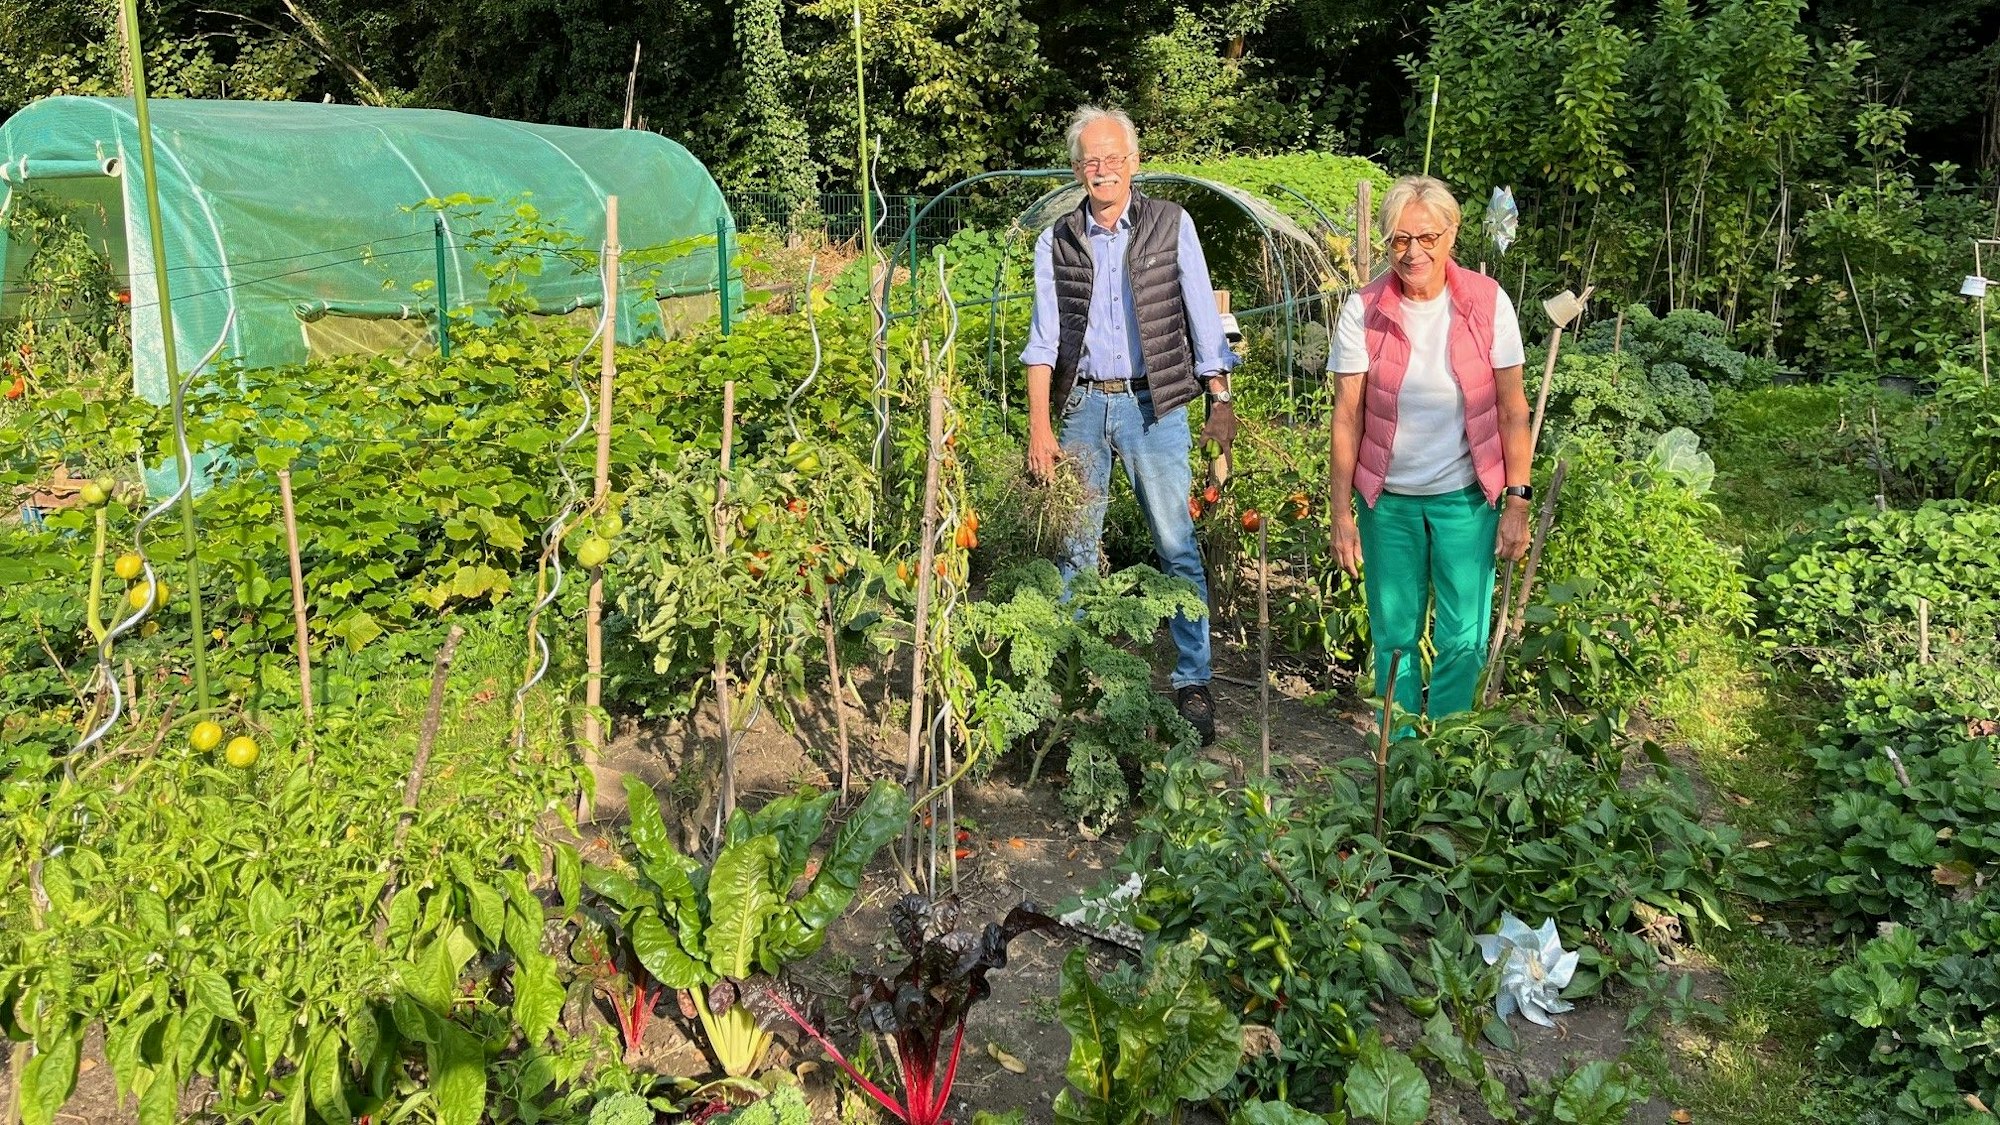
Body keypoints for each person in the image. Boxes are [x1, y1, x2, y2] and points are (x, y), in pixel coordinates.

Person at [1020, 105, 1240, 745]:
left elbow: (1203, 315)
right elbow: (1042, 340)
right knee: (1074, 549)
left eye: (1114, 158)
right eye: (1091, 159)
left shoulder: (1171, 225)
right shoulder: (1057, 238)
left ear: (1134, 164)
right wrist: (1041, 428)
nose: (1102, 169)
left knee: (1175, 544)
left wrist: (1219, 398)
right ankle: (1073, 679)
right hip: (1083, 406)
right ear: (1077, 168)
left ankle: (1192, 680)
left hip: (1156, 407)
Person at [1326, 174, 1533, 728]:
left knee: (1463, 635)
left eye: (1426, 238)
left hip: (1467, 498)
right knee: (1394, 637)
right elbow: (1346, 417)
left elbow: (1514, 409)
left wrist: (1518, 500)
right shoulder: (1363, 309)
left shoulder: (1488, 303)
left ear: (1452, 236)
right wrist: (1342, 514)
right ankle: (1399, 763)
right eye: (1398, 239)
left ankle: (1448, 756)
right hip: (1387, 502)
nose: (1412, 252)